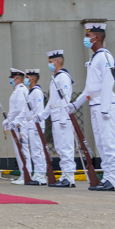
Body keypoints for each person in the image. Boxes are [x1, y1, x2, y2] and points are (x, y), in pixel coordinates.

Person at [67, 22, 115, 191]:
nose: (86, 39)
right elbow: (90, 89)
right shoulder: (95, 58)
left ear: (96, 37)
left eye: (88, 36)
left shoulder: (104, 56)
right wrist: (75, 105)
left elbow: (108, 82)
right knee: (102, 143)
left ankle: (114, 179)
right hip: (95, 103)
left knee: (109, 141)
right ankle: (108, 176)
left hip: (105, 104)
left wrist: (104, 107)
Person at [39, 50, 76, 187]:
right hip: (56, 118)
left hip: (62, 118)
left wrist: (63, 117)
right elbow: (52, 101)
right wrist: (42, 115)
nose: (48, 64)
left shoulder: (63, 77)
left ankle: (69, 178)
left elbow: (65, 98)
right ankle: (64, 175)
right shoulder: (55, 78)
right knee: (60, 148)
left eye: (50, 62)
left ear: (57, 62)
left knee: (66, 147)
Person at [21, 69, 47, 186]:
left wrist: (38, 125)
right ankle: (37, 173)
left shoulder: (37, 92)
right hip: (31, 125)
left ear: (33, 78)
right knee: (35, 150)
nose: (26, 79)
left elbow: (39, 110)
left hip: (36, 125)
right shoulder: (30, 92)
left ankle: (41, 175)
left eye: (27, 77)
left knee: (38, 151)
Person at [3, 68, 29, 185]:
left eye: (13, 79)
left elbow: (18, 109)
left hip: (20, 123)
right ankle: (23, 174)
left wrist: (9, 119)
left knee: (22, 150)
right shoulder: (17, 91)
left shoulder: (21, 90)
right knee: (19, 150)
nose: (11, 81)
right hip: (16, 123)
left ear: (18, 79)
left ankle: (26, 175)